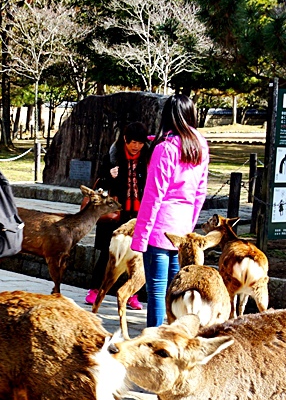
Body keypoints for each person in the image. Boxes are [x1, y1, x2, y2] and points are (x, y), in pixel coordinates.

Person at [132, 94, 211, 328]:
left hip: (159, 227)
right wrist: (189, 228)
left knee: (157, 291)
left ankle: (154, 338)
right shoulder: (200, 146)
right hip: (183, 229)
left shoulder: (165, 148)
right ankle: (176, 338)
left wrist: (140, 236)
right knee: (177, 291)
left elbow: (153, 196)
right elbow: (200, 193)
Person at [86, 121, 150, 310]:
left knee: (137, 254)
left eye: (139, 143)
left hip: (139, 212)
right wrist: (108, 174)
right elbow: (99, 181)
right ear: (125, 139)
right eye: (133, 142)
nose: (136, 146)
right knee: (108, 251)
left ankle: (133, 293)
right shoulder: (113, 156)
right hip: (115, 212)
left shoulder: (147, 158)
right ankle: (95, 289)